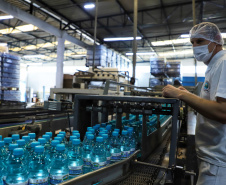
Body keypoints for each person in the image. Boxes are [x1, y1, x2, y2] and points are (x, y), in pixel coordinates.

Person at [162, 22, 226, 185]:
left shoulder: (223, 63)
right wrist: (188, 94)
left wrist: (182, 95)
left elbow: (223, 112)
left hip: (219, 162)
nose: (195, 47)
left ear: (217, 40)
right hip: (212, 157)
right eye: (192, 43)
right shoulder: (214, 66)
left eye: (200, 41)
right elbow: (212, 103)